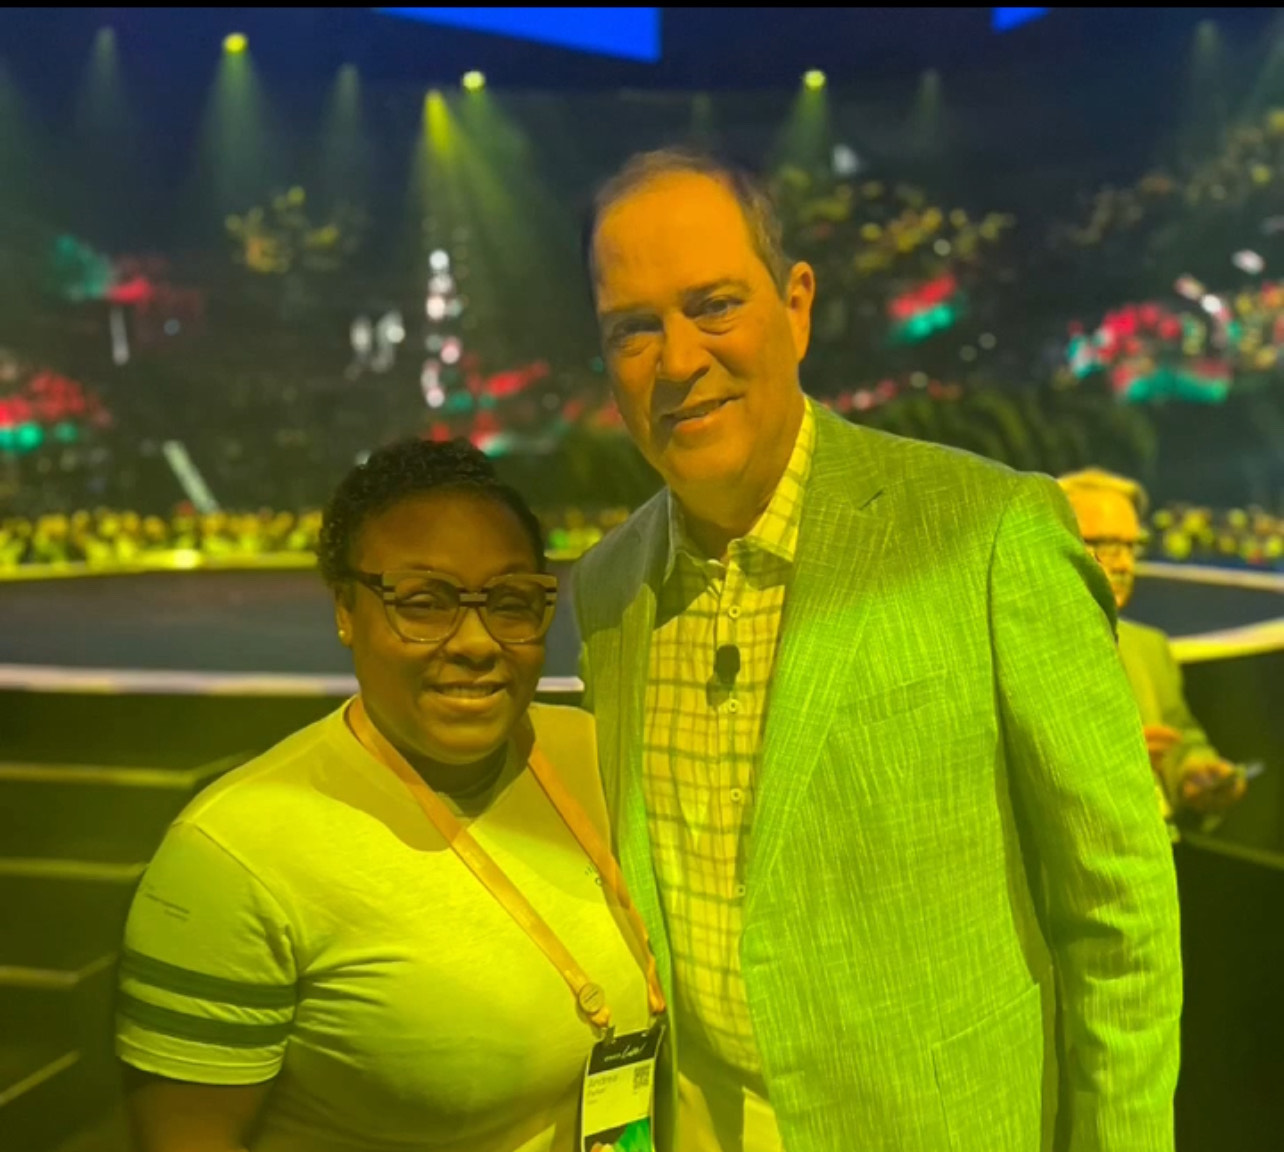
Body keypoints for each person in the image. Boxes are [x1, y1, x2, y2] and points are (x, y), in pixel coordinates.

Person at [572, 148, 1182, 1152]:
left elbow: (1121, 914)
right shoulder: (607, 593)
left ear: (796, 306)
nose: (677, 360)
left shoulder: (989, 534)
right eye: (633, 329)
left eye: (714, 306)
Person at [116, 438, 665, 1152]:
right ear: (346, 609)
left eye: (510, 601)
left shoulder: (592, 753)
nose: (476, 642)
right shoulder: (235, 857)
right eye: (425, 602)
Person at [1058, 468, 1247, 827]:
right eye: (1101, 544)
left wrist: (1194, 771)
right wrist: (1109, 763)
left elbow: (1180, 736)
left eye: (1131, 546)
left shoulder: (1149, 647)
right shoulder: (1013, 653)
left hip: (1167, 845)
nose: (1123, 564)